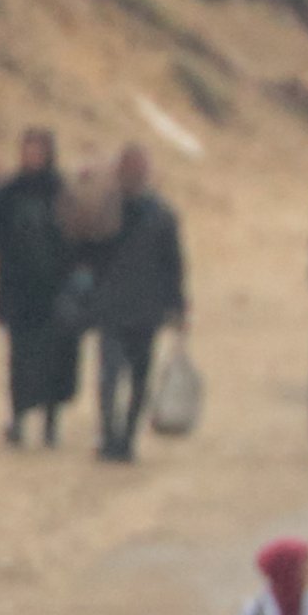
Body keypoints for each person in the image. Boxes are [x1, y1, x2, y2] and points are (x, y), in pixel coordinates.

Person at [0, 128, 77, 449]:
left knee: (55, 358)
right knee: (20, 359)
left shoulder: (61, 190)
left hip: (55, 289)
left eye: (38, 151)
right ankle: (18, 419)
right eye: (27, 150)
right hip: (18, 289)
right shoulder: (10, 189)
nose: (32, 157)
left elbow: (80, 233)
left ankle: (51, 423)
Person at [70, 146, 187, 463]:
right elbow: (83, 249)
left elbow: (173, 266)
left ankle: (127, 437)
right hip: (112, 308)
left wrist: (177, 308)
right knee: (109, 377)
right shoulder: (104, 212)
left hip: (146, 313)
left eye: (137, 169)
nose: (133, 175)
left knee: (138, 378)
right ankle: (110, 436)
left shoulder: (162, 216)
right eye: (128, 169)